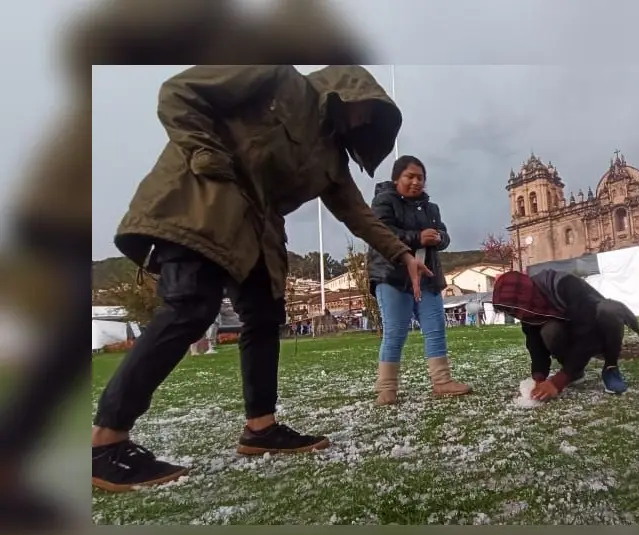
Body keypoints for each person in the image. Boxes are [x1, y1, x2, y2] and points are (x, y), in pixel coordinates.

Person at [91, 65, 432, 492]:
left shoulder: (331, 159)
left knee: (265, 316)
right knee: (191, 307)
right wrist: (203, 151)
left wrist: (403, 254)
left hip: (258, 231)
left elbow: (359, 215)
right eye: (366, 109)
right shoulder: (276, 78)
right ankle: (106, 441)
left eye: (373, 119)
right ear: (347, 89)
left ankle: (261, 427)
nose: (365, 120)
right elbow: (178, 92)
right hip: (203, 204)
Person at [367, 156, 471, 405]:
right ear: (397, 178)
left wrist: (440, 238)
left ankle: (442, 381)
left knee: (435, 329)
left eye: (420, 178)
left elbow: (444, 235)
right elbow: (381, 233)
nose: (416, 182)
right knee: (395, 331)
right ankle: (387, 387)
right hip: (392, 276)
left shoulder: (431, 208)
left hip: (427, 277)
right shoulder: (383, 202)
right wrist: (417, 237)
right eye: (410, 176)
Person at [491, 269, 639, 400]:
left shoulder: (565, 285)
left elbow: (587, 332)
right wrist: (539, 378)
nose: (519, 316)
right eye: (512, 313)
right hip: (573, 333)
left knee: (610, 310)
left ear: (525, 298)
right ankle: (575, 372)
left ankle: (611, 367)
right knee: (549, 330)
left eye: (516, 310)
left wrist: (559, 380)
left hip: (597, 330)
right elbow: (535, 344)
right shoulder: (528, 308)